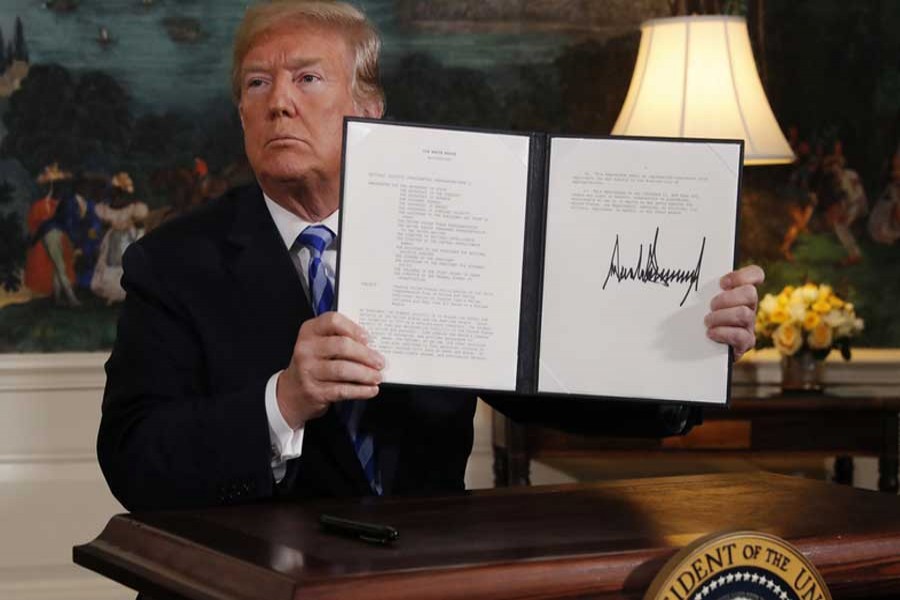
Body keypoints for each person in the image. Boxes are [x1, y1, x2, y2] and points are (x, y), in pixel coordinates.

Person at [97, 0, 763, 512]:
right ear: (240, 114)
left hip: (429, 571)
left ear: (369, 108)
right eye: (256, 85)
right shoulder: (172, 263)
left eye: (306, 78)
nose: (279, 103)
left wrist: (687, 350)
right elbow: (132, 460)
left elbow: (549, 381)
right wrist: (285, 400)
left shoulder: (457, 227)